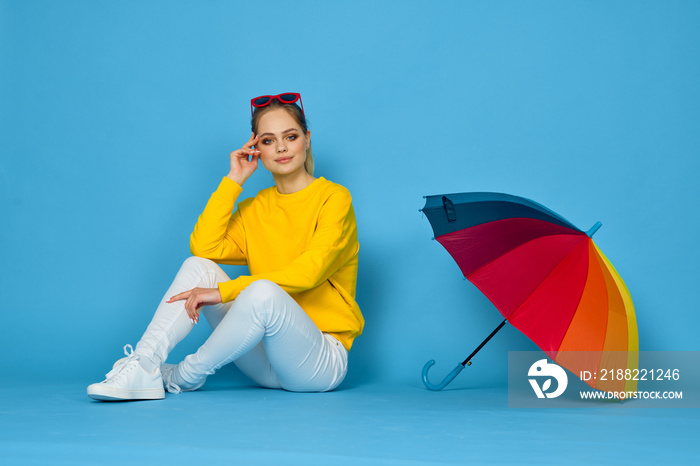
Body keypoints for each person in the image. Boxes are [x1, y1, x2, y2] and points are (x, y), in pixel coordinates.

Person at [87, 93, 364, 400]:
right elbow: (203, 247)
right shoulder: (254, 208)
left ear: (307, 139)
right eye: (269, 141)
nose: (282, 147)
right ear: (256, 148)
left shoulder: (334, 199)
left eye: (291, 136)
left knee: (262, 292)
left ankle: (184, 376)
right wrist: (234, 180)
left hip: (319, 363)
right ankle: (144, 364)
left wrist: (226, 292)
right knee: (198, 267)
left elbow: (308, 272)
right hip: (267, 362)